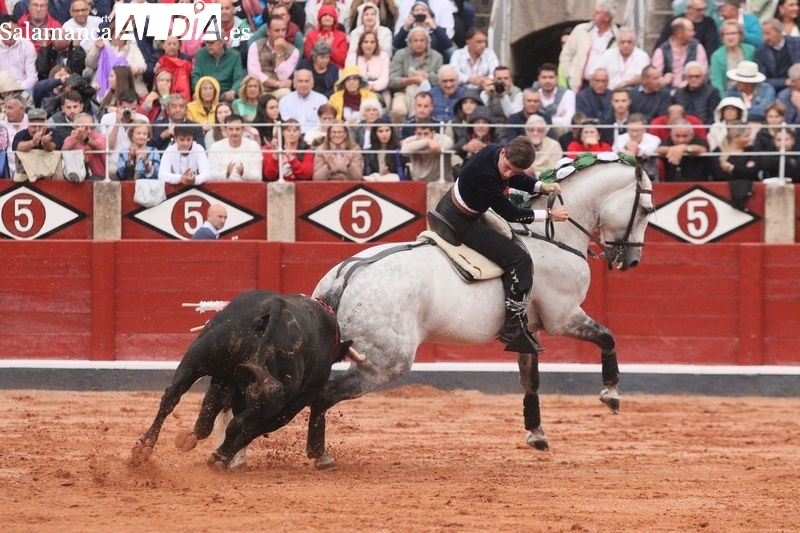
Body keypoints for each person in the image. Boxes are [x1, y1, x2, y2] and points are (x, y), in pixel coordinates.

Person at [429, 136, 567, 353]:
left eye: (515, 170)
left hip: (455, 207)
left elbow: (515, 178)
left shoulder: (495, 152)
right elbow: (510, 212)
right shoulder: (486, 174)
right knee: (518, 258)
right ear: (503, 154)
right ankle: (512, 328)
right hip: (460, 222)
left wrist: (541, 186)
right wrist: (550, 215)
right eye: (507, 167)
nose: (508, 174)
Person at [558, 0, 620, 92]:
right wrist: (569, 74)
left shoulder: (618, 37)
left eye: (597, 12)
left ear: (607, 17)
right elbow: (566, 54)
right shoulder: (581, 30)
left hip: (605, 87)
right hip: (580, 84)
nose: (593, 14)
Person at [388, 25, 443, 123]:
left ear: (427, 42)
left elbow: (441, 80)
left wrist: (426, 77)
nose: (419, 44)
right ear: (409, 42)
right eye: (415, 40)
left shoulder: (437, 57)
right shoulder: (401, 54)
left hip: (430, 93)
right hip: (403, 93)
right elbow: (392, 81)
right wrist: (412, 80)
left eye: (422, 40)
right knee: (398, 110)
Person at [246, 12, 298, 99]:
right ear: (268, 31)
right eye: (277, 30)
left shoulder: (293, 51)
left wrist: (279, 53)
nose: (281, 34)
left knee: (286, 93)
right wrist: (277, 84)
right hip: (259, 89)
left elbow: (283, 76)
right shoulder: (255, 46)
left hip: (280, 91)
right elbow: (254, 74)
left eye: (283, 30)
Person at [651, 16, 709, 90]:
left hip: (692, 90)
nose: (694, 33)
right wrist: (663, 80)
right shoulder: (661, 51)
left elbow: (703, 72)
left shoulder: (697, 47)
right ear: (680, 33)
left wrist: (689, 82)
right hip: (668, 92)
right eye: (690, 31)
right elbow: (654, 77)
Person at [12, 107, 64, 182]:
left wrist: (46, 144)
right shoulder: (21, 134)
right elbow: (18, 147)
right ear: (28, 124)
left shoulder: (53, 133)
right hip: (26, 174)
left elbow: (55, 147)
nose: (37, 129)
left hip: (50, 174)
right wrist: (32, 143)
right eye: (34, 126)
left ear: (46, 123)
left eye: (40, 126)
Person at [654, 0, 720, 58]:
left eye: (704, 9)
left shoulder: (709, 23)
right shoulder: (675, 21)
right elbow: (662, 42)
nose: (703, 13)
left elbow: (711, 46)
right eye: (699, 10)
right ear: (689, 9)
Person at [207, 114, 264, 181]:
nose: (234, 133)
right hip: (222, 188)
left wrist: (243, 173)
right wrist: (226, 174)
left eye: (237, 129)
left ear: (243, 129)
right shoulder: (215, 147)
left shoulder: (253, 146)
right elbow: (211, 176)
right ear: (226, 130)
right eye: (231, 129)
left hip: (248, 188)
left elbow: (258, 176)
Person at [710, 19, 756, 97]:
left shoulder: (751, 50)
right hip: (728, 94)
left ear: (740, 35)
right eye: (726, 34)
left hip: (750, 91)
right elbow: (717, 83)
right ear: (722, 37)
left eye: (733, 33)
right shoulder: (717, 56)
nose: (730, 37)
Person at [595, 26, 651, 90]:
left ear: (634, 43)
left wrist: (623, 84)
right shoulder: (608, 54)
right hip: (608, 92)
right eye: (622, 42)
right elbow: (596, 73)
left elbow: (642, 77)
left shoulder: (642, 56)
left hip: (632, 92)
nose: (626, 45)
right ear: (617, 43)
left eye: (629, 42)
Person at [191, 37, 245, 103]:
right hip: (206, 92)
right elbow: (195, 75)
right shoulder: (200, 54)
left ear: (221, 43)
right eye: (206, 42)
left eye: (211, 42)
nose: (208, 45)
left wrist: (233, 90)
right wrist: (197, 90)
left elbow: (239, 78)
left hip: (226, 93)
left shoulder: (234, 55)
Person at [754, 18, 800, 94]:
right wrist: (785, 82)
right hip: (775, 90)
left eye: (768, 34)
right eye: (763, 34)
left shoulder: (797, 43)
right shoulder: (761, 51)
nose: (765, 38)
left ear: (779, 31)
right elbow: (762, 79)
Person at [278, 69, 328, 135]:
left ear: (312, 83)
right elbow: (286, 124)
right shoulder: (285, 101)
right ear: (294, 84)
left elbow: (323, 123)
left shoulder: (322, 100)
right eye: (300, 81)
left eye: (307, 81)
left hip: (316, 137)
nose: (303, 84)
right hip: (293, 136)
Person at [612, 112, 661, 179]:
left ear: (644, 129)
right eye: (631, 130)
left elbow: (648, 151)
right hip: (624, 177)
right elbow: (617, 148)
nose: (634, 134)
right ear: (627, 129)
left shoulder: (654, 139)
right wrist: (626, 147)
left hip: (650, 178)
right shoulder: (620, 138)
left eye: (637, 131)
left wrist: (633, 148)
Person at [61, 111, 105, 180]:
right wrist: (76, 140)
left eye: (92, 127)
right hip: (76, 177)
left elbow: (100, 146)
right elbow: (64, 151)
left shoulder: (98, 137)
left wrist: (85, 139)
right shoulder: (71, 138)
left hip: (98, 176)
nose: (90, 131)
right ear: (76, 127)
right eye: (86, 128)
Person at [533, 62, 575, 134]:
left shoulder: (567, 94)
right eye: (544, 77)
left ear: (557, 79)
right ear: (538, 79)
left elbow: (568, 122)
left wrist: (539, 121)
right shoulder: (532, 94)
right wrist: (558, 118)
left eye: (551, 77)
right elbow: (526, 121)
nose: (547, 81)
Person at [303, 4, 348, 69]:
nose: (327, 18)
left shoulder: (341, 36)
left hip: (336, 70)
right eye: (324, 15)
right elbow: (308, 58)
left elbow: (343, 60)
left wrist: (330, 47)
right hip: (314, 70)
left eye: (330, 16)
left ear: (334, 19)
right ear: (320, 18)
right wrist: (318, 47)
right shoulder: (311, 35)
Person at [363, 116, 406, 181]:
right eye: (380, 131)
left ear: (391, 132)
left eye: (387, 130)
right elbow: (367, 173)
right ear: (375, 133)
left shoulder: (398, 151)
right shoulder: (369, 152)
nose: (384, 134)